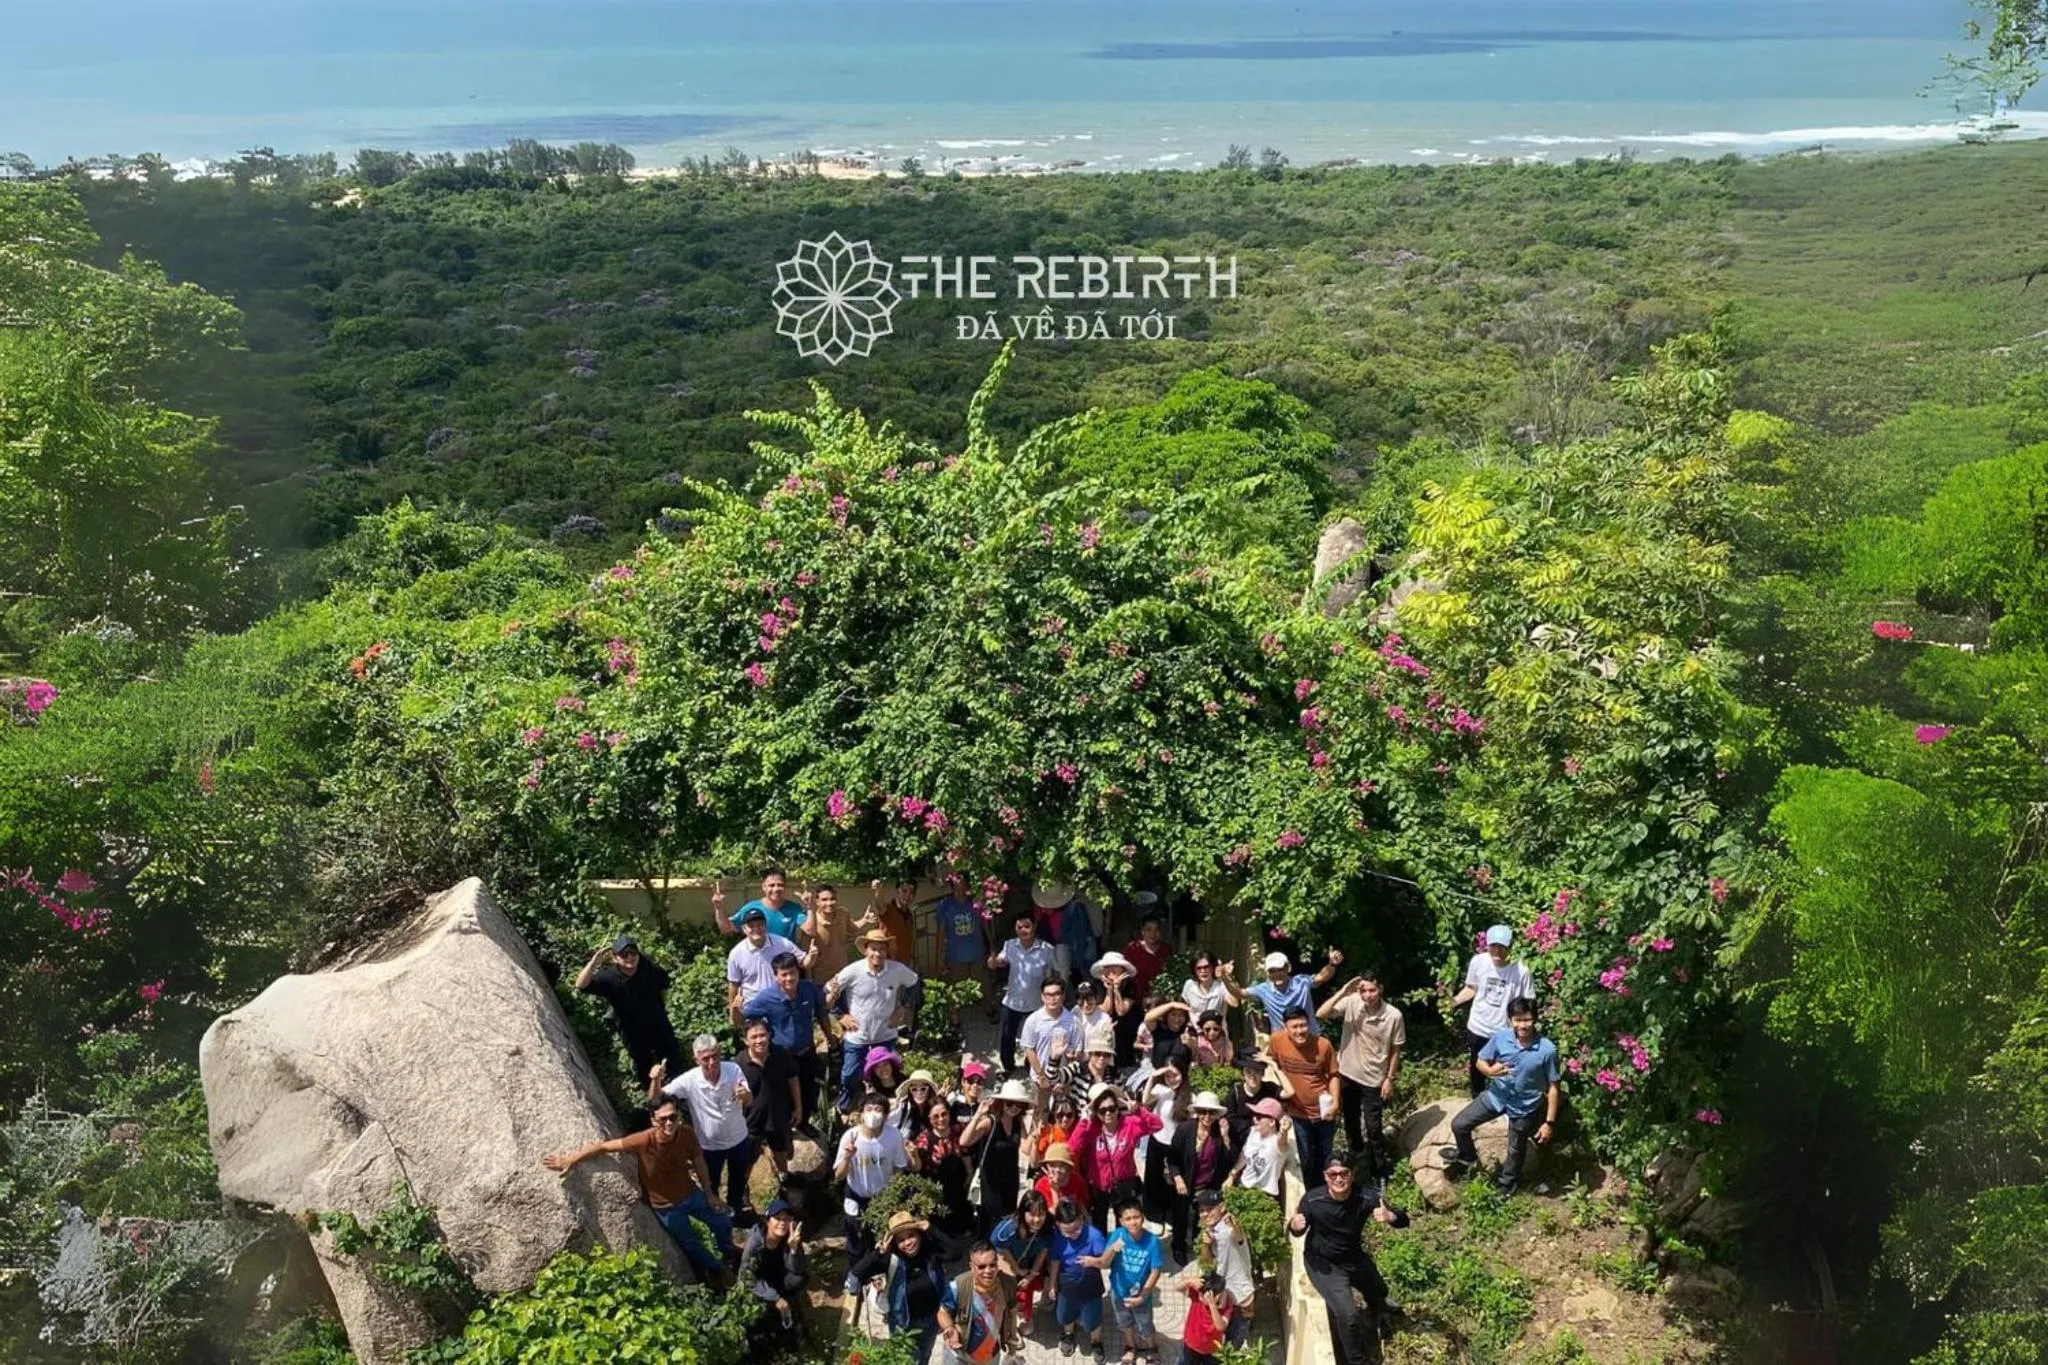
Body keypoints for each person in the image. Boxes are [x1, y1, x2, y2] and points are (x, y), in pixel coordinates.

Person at [542, 1096, 733, 1285]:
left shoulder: (686, 1134)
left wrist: (708, 1193)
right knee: (691, 1243)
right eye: (662, 1119)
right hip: (667, 1207)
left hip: (692, 1195)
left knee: (722, 1222)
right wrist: (570, 1160)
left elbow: (698, 1161)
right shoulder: (643, 1141)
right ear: (653, 1120)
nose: (669, 1123)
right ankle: (717, 1269)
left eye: (672, 1117)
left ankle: (729, 1255)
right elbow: (604, 1147)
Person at [1287, 1155, 1408, 1365]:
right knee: (1348, 1316)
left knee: (1379, 1290)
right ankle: (1356, 1361)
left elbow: (1403, 1220)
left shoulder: (1366, 1197)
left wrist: (1390, 1217)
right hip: (1324, 1264)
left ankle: (1378, 1313)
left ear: (1351, 1175)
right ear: (1325, 1177)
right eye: (1333, 1174)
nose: (1339, 1179)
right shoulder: (1313, 1200)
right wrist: (1294, 1226)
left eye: (1344, 1173)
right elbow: (1298, 1230)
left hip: (1352, 1255)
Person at [1438, 996, 1560, 1194]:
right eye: (1518, 1020)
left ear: (1535, 1019)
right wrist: (1488, 1072)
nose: (1523, 1025)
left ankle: (1507, 1185)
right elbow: (1480, 1060)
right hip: (1497, 1096)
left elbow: (1554, 1088)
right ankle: (1467, 1157)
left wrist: (1549, 1123)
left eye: (1527, 1019)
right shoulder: (1501, 1037)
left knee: (1515, 1149)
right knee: (1459, 1124)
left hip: (1525, 1106)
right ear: (1510, 1019)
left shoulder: (1547, 1050)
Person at [655, 1034, 756, 1217]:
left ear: (720, 1053)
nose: (711, 1062)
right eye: (705, 1059)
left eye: (714, 1056)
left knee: (738, 1180)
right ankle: (716, 1211)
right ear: (696, 1060)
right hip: (710, 1146)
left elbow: (749, 1101)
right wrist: (655, 1080)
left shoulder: (732, 1070)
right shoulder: (690, 1080)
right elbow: (656, 1100)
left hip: (739, 1139)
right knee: (711, 1182)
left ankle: (736, 1209)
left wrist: (743, 1095)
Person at [1320, 971, 1404, 1175]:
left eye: (1372, 990)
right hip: (1347, 1073)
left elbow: (1395, 1050)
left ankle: (1379, 1170)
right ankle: (1356, 1157)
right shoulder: (1351, 1002)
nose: (1368, 995)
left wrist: (1389, 1079)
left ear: (1380, 989)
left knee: (1374, 1127)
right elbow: (1321, 1014)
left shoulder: (1393, 1015)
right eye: (1363, 990)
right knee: (1350, 1120)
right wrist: (1342, 992)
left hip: (1374, 1078)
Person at [826, 929, 919, 1113]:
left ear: (887, 951)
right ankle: (847, 1104)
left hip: (885, 1034)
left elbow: (915, 983)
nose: (877, 953)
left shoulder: (897, 969)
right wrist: (840, 1015)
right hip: (857, 1035)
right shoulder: (853, 971)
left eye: (882, 949)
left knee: (887, 1075)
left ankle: (888, 1108)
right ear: (866, 950)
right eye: (873, 949)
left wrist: (903, 1006)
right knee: (850, 1074)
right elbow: (830, 989)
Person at [574, 934, 683, 1086]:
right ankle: (653, 1098)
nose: (630, 958)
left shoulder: (650, 969)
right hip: (632, 1030)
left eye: (633, 953)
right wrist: (593, 964)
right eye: (624, 955)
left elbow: (663, 989)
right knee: (644, 1065)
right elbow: (581, 985)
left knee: (673, 1060)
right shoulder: (609, 978)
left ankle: (678, 1095)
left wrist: (659, 1010)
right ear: (615, 958)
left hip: (658, 1023)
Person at [746, 952, 831, 1133]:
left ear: (799, 972)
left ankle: (804, 1124)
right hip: (781, 1055)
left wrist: (830, 1037)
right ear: (775, 976)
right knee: (781, 1094)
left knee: (808, 1089)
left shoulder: (808, 989)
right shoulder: (766, 998)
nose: (789, 978)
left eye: (792, 973)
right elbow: (746, 1018)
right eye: (783, 974)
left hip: (806, 1051)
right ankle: (783, 1129)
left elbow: (821, 1012)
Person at [835, 1093, 911, 1291]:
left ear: (886, 1116)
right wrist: (847, 1157)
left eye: (878, 1110)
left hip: (883, 1199)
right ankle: (855, 1276)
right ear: (861, 1114)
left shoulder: (893, 1136)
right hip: (856, 1197)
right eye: (868, 1109)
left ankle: (878, 1277)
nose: (873, 1114)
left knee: (882, 1241)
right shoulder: (850, 1137)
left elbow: (899, 1168)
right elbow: (838, 1175)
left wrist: (895, 1198)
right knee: (855, 1242)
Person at [860, 1211, 953, 1365]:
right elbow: (857, 1274)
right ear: (894, 1244)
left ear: (919, 1234)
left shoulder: (929, 1254)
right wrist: (877, 1254)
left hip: (930, 1321)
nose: (908, 1242)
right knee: (905, 1361)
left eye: (911, 1235)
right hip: (903, 1324)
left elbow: (955, 1252)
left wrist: (931, 1229)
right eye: (901, 1240)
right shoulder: (890, 1259)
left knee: (924, 1357)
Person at [1452, 924, 1535, 1095]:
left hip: (1504, 1031)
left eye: (1502, 946)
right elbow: (1472, 988)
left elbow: (1527, 1003)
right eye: (1493, 946)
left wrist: (1523, 1029)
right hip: (1478, 1026)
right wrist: (1453, 1001)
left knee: (1505, 1069)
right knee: (1477, 1065)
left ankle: (1503, 1102)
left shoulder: (1521, 971)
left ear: (1510, 946)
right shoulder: (1478, 961)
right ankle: (1477, 1100)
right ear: (1487, 945)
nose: (1497, 951)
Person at [1070, 1083, 1162, 1232]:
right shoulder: (1091, 1128)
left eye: (1112, 1108)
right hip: (1099, 1185)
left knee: (1125, 1221)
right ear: (1096, 1112)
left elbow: (1157, 1125)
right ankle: (1103, 1252)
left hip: (1124, 1183)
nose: (1108, 1113)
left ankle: (1122, 1250)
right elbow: (1072, 1149)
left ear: (1117, 1108)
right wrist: (1083, 1121)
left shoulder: (1129, 1124)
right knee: (1100, 1220)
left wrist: (1139, 1110)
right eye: (1102, 1110)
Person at [1269, 1006, 1342, 1185]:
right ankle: (1309, 1192)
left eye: (1303, 1026)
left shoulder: (1323, 1045)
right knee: (1305, 1156)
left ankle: (1327, 1189)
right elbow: (1271, 1064)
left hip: (1324, 1112)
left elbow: (1333, 1075)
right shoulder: (1277, 1040)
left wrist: (1335, 1104)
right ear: (1285, 1027)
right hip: (1297, 1112)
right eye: (1294, 1027)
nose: (1300, 1031)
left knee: (1325, 1155)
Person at [1166, 1091, 1234, 1265]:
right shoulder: (1185, 1129)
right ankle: (1178, 1247)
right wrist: (1178, 1178)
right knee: (1180, 1215)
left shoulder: (1219, 1131)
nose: (1207, 1116)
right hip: (1185, 1182)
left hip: (1207, 1184)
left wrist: (1226, 1136)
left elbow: (1228, 1160)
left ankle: (1199, 1246)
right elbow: (1172, 1158)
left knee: (1202, 1217)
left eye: (1211, 1113)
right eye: (1203, 1111)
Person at [1137, 1051, 1192, 1257]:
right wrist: (1153, 1076)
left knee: (1173, 1183)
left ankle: (1171, 1216)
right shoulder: (1161, 1089)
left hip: (1175, 1147)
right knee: (1153, 1180)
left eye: (1175, 1075)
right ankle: (1155, 1216)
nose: (1172, 1079)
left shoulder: (1190, 1095)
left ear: (1183, 1073)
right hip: (1157, 1141)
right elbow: (1144, 1100)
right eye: (1169, 1076)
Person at [736, 1197, 809, 1351]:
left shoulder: (791, 1236)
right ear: (768, 1220)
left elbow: (799, 1270)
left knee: (799, 1278)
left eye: (787, 1219)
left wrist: (794, 1249)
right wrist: (775, 1298)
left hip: (778, 1276)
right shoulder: (755, 1244)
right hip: (759, 1282)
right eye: (777, 1218)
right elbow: (746, 1278)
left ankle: (788, 1300)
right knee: (760, 1320)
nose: (782, 1223)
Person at [989, 912, 1057, 1076]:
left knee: (1035, 1039)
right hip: (1013, 1002)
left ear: (1034, 927)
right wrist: (992, 960)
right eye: (1019, 927)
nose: (1023, 930)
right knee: (1007, 1037)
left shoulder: (1046, 949)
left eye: (1027, 926)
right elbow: (997, 963)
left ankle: (1031, 1065)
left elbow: (1054, 974)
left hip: (1037, 1004)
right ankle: (1008, 1067)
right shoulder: (1010, 945)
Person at [963, 1078, 1033, 1233]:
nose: (1014, 1108)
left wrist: (1035, 1133)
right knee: (991, 1225)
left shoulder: (1017, 1123)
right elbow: (964, 1141)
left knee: (1006, 1224)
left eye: (1018, 1104)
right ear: (1001, 1103)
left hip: (1010, 1182)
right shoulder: (990, 1122)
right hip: (991, 1183)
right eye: (1009, 1103)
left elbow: (1026, 1149)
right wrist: (978, 1115)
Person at [1101, 1200, 1165, 1365]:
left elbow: (1155, 1271)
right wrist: (1112, 1249)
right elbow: (1105, 1263)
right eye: (1127, 1218)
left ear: (1142, 1217)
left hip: (1140, 1295)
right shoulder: (1117, 1235)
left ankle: (1151, 1347)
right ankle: (1130, 1346)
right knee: (1124, 1322)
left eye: (1136, 1217)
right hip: (1118, 1292)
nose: (1133, 1222)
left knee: (1145, 1323)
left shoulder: (1152, 1241)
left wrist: (1143, 1296)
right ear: (1121, 1221)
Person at [1227, 948, 1343, 1038]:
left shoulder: (1301, 982)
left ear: (1288, 968)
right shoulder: (1264, 989)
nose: (1277, 974)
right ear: (1267, 973)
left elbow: (1321, 977)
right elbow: (1239, 993)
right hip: (1283, 1041)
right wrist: (1224, 978)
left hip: (1309, 1037)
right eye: (1272, 971)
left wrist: (1332, 964)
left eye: (1280, 969)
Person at [736, 1018, 800, 1180]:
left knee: (781, 1150)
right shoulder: (738, 1065)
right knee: (747, 1159)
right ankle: (742, 1191)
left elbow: (792, 1078)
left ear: (769, 1035)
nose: (759, 1040)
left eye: (762, 1035)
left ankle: (784, 1177)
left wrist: (798, 1107)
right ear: (745, 1040)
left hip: (778, 1115)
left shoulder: (780, 1054)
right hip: (751, 1121)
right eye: (754, 1037)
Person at [1049, 1197, 1110, 1362]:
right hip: (1066, 1286)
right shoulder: (1056, 1238)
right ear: (1058, 1225)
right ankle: (1068, 1334)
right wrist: (1053, 1285)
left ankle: (1096, 1341)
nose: (1072, 1234)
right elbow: (1055, 1261)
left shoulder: (1094, 1235)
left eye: (1076, 1229)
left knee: (1092, 1320)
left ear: (1082, 1219)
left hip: (1090, 1286)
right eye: (1067, 1231)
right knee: (1065, 1316)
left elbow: (1106, 1263)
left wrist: (1094, 1262)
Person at [939, 1240, 1018, 1365]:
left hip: (990, 1355)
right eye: (982, 1266)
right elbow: (943, 1311)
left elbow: (1012, 1313)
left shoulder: (1007, 1284)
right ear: (971, 1266)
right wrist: (949, 1327)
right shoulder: (957, 1286)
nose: (988, 1271)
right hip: (960, 1354)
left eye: (992, 1265)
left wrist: (1012, 1341)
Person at [726, 907, 804, 1029]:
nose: (756, 929)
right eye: (751, 926)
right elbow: (733, 984)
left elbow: (803, 961)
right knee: (759, 1042)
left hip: (779, 1003)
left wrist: (812, 956)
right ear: (744, 929)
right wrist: (732, 1011)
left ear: (766, 926)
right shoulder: (736, 953)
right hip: (753, 1007)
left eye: (760, 925)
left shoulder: (782, 943)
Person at [1195, 1190, 1256, 1346]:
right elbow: (1208, 1261)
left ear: (1222, 1207)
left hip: (1241, 1298)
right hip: (1225, 1296)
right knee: (1223, 1340)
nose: (1205, 1213)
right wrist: (1205, 1244)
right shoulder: (1212, 1231)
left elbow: (1238, 1235)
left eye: (1210, 1209)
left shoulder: (1229, 1228)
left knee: (1234, 1343)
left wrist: (1235, 1226)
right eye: (1202, 1210)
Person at [991, 1190, 1055, 1328]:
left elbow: (1043, 1251)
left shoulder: (1048, 1227)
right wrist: (1016, 1270)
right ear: (1022, 1213)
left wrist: (1031, 1275)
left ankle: (1025, 1316)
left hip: (1031, 1262)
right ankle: (1007, 1318)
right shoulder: (1006, 1230)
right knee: (1008, 1285)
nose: (1037, 1220)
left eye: (1041, 1214)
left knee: (1027, 1288)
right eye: (1032, 1214)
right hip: (1008, 1260)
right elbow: (1001, 1250)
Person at [935, 873, 990, 1030]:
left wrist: (991, 945)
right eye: (956, 888)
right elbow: (941, 933)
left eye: (963, 887)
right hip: (956, 956)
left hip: (977, 952)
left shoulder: (975, 902)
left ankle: (989, 1009)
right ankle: (954, 1020)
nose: (960, 892)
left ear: (967, 887)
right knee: (954, 988)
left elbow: (985, 924)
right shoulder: (945, 905)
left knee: (984, 983)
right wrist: (940, 958)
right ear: (952, 889)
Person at [1020, 978, 1087, 1092]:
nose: (1052, 999)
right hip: (1039, 1080)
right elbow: (1030, 1050)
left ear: (1063, 996)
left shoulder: (1073, 1021)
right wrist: (1041, 1076)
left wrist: (1065, 1078)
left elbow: (1077, 1052)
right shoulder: (1033, 1020)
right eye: (1048, 995)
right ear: (1042, 997)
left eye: (1056, 994)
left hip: (1063, 1080)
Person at [714, 867, 808, 940]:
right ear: (764, 887)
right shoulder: (751, 908)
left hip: (785, 962)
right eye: (771, 885)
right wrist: (718, 908)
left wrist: (810, 907)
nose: (776, 889)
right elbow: (726, 929)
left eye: (780, 885)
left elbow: (810, 931)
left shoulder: (794, 908)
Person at [1032, 881, 1099, 983]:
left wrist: (1079, 963)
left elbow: (1080, 938)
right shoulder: (1041, 911)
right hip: (1056, 950)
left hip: (1073, 951)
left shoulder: (1075, 909)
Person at [1227, 1098, 1285, 1200]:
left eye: (1258, 1117)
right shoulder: (1253, 1133)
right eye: (1254, 1115)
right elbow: (1245, 1156)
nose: (1254, 1119)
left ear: (1271, 1121)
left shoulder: (1276, 1141)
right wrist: (1232, 1174)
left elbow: (1282, 1141)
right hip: (1244, 1186)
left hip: (1264, 1194)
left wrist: (1284, 1131)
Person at [1091, 952, 1142, 1068]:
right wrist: (1109, 990)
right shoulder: (1096, 985)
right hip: (1103, 1034)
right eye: (1107, 967)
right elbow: (1105, 1011)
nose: (1111, 970)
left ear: (1123, 970)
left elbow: (1121, 1011)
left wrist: (1117, 990)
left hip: (1126, 1032)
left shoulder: (1130, 985)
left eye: (1115, 967)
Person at [1177, 1271, 1238, 1365]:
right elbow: (1177, 1288)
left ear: (1217, 1296)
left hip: (1212, 1350)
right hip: (1191, 1345)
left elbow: (1220, 1327)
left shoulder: (1226, 1304)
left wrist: (1212, 1305)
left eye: (1203, 1295)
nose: (1200, 1297)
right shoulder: (1196, 1294)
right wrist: (1189, 1281)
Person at [1223, 1058, 1283, 1150]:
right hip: (1240, 1144)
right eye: (1248, 1072)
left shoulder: (1270, 1089)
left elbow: (1290, 1092)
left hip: (1266, 1146)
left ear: (1262, 1073)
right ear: (1243, 1074)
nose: (1252, 1076)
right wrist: (1252, 1128)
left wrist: (1275, 1066)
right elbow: (1230, 1119)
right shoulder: (1235, 1093)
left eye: (1257, 1072)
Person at [801, 883, 851, 982]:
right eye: (824, 900)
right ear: (817, 902)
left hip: (843, 975)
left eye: (832, 899)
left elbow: (853, 928)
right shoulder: (811, 921)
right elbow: (806, 955)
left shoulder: (843, 914)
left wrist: (864, 920)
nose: (829, 903)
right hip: (820, 979)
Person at [1033, 1142, 1090, 1222]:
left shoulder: (1077, 1180)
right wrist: (1054, 1189)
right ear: (1047, 1167)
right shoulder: (1041, 1185)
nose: (1057, 1170)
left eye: (1061, 1165)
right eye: (1053, 1165)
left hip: (1073, 1224)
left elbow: (1082, 1205)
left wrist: (1089, 1222)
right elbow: (1057, 1216)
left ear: (1069, 1168)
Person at [1122, 914, 1171, 1004]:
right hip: (1133, 999)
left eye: (1156, 930)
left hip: (1158, 1000)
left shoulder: (1165, 950)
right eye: (1148, 930)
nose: (1152, 934)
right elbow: (1125, 973)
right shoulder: (1132, 948)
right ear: (1142, 931)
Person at [1135, 998, 1193, 1068]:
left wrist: (1191, 1045)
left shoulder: (1189, 1032)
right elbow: (1147, 1018)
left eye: (1181, 1015)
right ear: (1167, 1016)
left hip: (1179, 1076)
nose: (1177, 1019)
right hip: (1159, 1074)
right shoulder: (1158, 1029)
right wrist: (1171, 1005)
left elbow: (1194, 1057)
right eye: (1173, 1014)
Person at [892, 1069, 943, 1143]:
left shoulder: (937, 1110)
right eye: (914, 1089)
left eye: (923, 1089)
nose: (919, 1092)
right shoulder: (903, 1110)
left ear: (930, 1090)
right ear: (910, 1092)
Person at [1180, 951, 1232, 1022]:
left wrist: (1226, 978)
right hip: (1194, 1029)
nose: (1203, 971)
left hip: (1216, 1030)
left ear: (1213, 967)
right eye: (1199, 968)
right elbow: (1185, 1009)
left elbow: (1234, 1002)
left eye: (1206, 967)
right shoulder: (1189, 985)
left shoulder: (1221, 985)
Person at [950, 1058, 991, 1125]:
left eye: (979, 1082)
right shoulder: (954, 1104)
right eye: (970, 1081)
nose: (975, 1085)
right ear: (963, 1082)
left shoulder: (986, 1107)